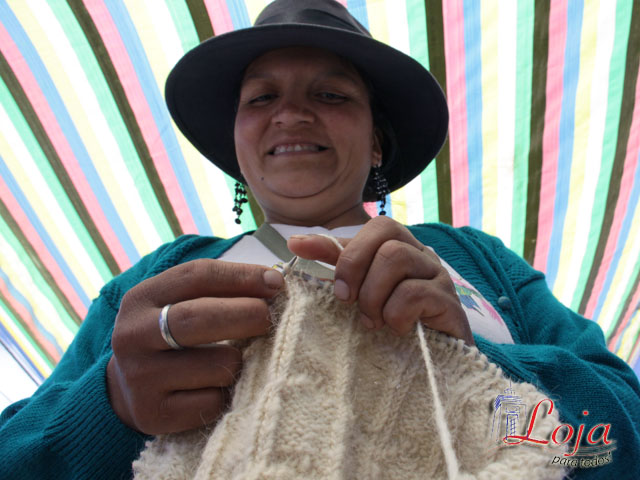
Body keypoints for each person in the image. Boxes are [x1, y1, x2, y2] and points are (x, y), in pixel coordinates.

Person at [1, 0, 638, 478]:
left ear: (377, 141)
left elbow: (617, 438)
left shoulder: (478, 264)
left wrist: (481, 372)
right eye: (261, 99)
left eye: (331, 94)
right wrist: (111, 406)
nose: (291, 113)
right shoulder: (160, 280)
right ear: (238, 149)